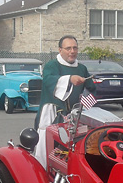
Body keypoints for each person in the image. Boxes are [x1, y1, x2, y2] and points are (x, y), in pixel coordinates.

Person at [33, 35, 96, 168]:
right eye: (68, 48)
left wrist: (87, 101)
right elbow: (49, 81)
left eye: (75, 48)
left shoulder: (82, 68)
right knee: (48, 145)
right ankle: (45, 172)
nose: (72, 51)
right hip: (52, 113)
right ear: (60, 50)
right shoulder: (52, 65)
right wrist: (69, 79)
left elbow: (91, 88)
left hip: (74, 116)